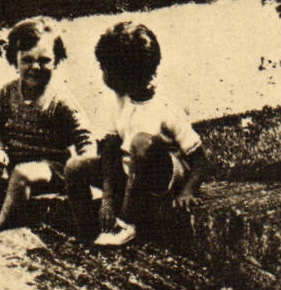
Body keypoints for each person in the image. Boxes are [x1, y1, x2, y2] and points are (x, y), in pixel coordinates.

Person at [0, 17, 95, 235]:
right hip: (16, 158)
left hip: (51, 167)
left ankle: (1, 230)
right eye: (27, 60)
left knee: (22, 174)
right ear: (14, 60)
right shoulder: (8, 92)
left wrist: (82, 168)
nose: (35, 67)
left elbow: (84, 137)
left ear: (56, 61)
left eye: (44, 60)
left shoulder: (60, 99)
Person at [85, 20, 206, 247]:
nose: (102, 73)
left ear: (125, 74)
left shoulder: (164, 108)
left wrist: (188, 191)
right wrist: (108, 200)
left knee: (140, 141)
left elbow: (199, 159)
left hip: (162, 174)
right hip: (131, 171)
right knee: (75, 167)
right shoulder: (118, 101)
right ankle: (87, 229)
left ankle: (126, 223)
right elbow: (110, 152)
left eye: (105, 68)